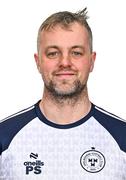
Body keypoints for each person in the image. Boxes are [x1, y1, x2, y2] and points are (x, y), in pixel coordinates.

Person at [0, 8, 126, 180]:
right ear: (38, 62)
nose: (65, 62)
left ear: (91, 61)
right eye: (53, 53)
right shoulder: (5, 137)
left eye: (76, 53)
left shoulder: (122, 138)